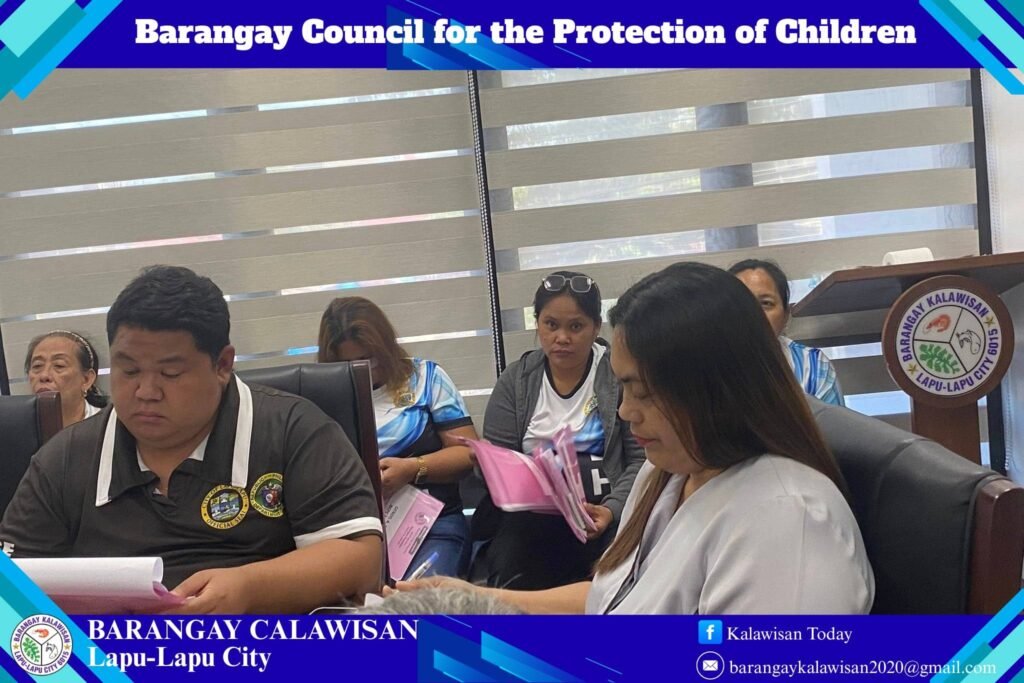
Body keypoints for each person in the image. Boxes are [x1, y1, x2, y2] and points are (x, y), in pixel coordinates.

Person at [400, 262, 874, 614]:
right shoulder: (666, 472)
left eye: (641, 391)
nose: (625, 411)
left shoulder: (787, 522)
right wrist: (472, 600)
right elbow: (612, 599)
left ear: (713, 388)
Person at [1, 266, 382, 614]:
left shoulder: (293, 430)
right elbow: (10, 590)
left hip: (264, 648)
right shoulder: (66, 458)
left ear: (222, 365)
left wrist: (250, 588)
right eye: (129, 370)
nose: (146, 392)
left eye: (170, 374)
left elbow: (360, 559)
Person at [472, 271, 646, 590]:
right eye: (551, 325)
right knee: (512, 565)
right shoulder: (516, 382)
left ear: (596, 327)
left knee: (615, 579)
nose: (562, 338)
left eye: (576, 327)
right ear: (537, 323)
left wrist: (611, 509)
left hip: (603, 514)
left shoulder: (617, 375)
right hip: (531, 521)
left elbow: (641, 460)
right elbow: (496, 465)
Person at [318, 297, 479, 579]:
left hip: (428, 525)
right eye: (350, 364)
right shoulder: (322, 395)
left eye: (369, 358)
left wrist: (412, 469)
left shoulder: (426, 378)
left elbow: (467, 453)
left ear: (385, 346)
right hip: (352, 530)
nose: (364, 370)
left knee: (420, 599)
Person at [729, 259, 844, 406]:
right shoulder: (704, 362)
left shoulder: (812, 366)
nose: (753, 313)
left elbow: (831, 420)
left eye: (766, 303)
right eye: (740, 303)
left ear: (786, 315)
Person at [24, 330, 108, 427]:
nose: (44, 376)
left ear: (87, 379)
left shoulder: (108, 426)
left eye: (59, 365)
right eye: (37, 366)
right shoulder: (16, 427)